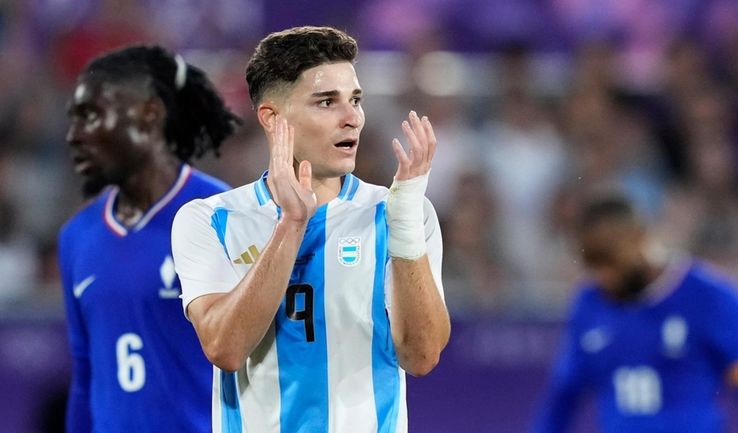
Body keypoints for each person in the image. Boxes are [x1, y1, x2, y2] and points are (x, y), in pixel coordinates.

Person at [171, 26, 451, 432]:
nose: (352, 118)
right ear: (272, 117)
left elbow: (422, 357)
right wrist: (291, 225)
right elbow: (225, 349)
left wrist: (404, 228)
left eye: (355, 100)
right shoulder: (210, 219)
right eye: (327, 102)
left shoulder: (400, 214)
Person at [59, 45, 240, 433]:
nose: (74, 136)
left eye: (89, 116)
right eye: (72, 120)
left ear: (149, 113)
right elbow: (85, 377)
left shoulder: (221, 214)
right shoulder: (76, 236)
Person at [533, 193, 738, 433]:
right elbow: (563, 398)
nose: (603, 276)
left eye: (609, 260)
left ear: (639, 237)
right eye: (593, 264)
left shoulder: (711, 297)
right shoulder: (589, 303)